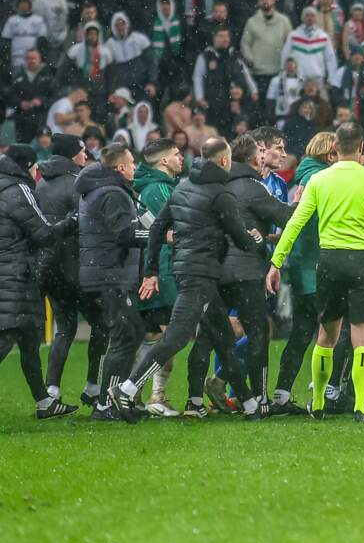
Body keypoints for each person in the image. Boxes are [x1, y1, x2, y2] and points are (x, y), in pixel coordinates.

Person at [111, 136, 262, 421]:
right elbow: (241, 240)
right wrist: (256, 239)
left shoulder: (182, 188)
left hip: (185, 271)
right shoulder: (220, 194)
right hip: (201, 276)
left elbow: (156, 230)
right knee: (177, 337)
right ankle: (126, 390)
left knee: (224, 337)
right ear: (225, 161)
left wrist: (152, 271)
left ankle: (251, 405)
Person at [267, 122, 364, 423]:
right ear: (362, 145)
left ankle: (317, 404)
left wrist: (276, 262)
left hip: (328, 262)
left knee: (326, 336)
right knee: (362, 337)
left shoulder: (318, 180)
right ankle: (361, 408)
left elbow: (295, 222)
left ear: (335, 147)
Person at [0, 145, 77, 428]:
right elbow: (43, 234)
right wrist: (70, 222)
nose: (37, 172)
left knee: (28, 341)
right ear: (27, 166)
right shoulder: (19, 190)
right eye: (34, 167)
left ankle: (44, 402)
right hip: (14, 276)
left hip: (3, 274)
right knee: (3, 341)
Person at [214, 133, 294, 411]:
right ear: (254, 156)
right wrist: (308, 201)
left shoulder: (220, 184)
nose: (268, 155)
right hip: (246, 269)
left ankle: (198, 398)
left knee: (213, 333)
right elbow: (284, 216)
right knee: (255, 332)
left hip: (219, 267)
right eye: (263, 150)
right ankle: (254, 398)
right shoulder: (253, 186)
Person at [78, 142, 150, 420]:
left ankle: (110, 400)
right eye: (132, 163)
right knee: (126, 335)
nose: (135, 167)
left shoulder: (97, 190)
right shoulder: (112, 193)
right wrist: (157, 237)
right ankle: (106, 404)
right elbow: (124, 234)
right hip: (111, 275)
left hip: (105, 273)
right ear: (120, 167)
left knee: (128, 334)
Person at [37, 134, 105, 412]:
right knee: (102, 324)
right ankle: (93, 386)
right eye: (81, 151)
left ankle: (51, 388)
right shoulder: (79, 182)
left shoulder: (41, 184)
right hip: (77, 266)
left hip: (49, 267)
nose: (85, 156)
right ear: (71, 155)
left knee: (64, 328)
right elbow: (86, 222)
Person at [269, 131, 336, 414]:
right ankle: (325, 393)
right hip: (314, 265)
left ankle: (282, 394)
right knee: (332, 331)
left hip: (302, 264)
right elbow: (307, 224)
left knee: (302, 330)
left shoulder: (304, 176)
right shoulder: (319, 180)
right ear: (329, 154)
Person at [131, 137, 186, 417]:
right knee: (172, 336)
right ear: (163, 161)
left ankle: (135, 396)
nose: (182, 158)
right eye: (177, 154)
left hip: (157, 269)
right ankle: (152, 396)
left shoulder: (159, 186)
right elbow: (171, 231)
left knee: (153, 336)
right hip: (162, 271)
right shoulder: (156, 189)